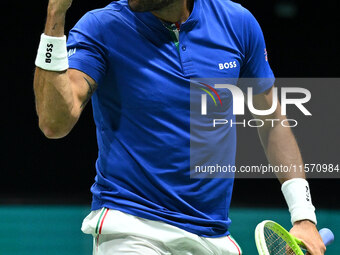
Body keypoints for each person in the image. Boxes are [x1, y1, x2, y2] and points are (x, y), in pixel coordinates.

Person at [33, 0, 326, 254]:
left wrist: (303, 216)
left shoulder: (237, 24)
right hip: (132, 227)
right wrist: (55, 13)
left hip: (213, 236)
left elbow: (271, 122)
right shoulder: (102, 26)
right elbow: (54, 122)